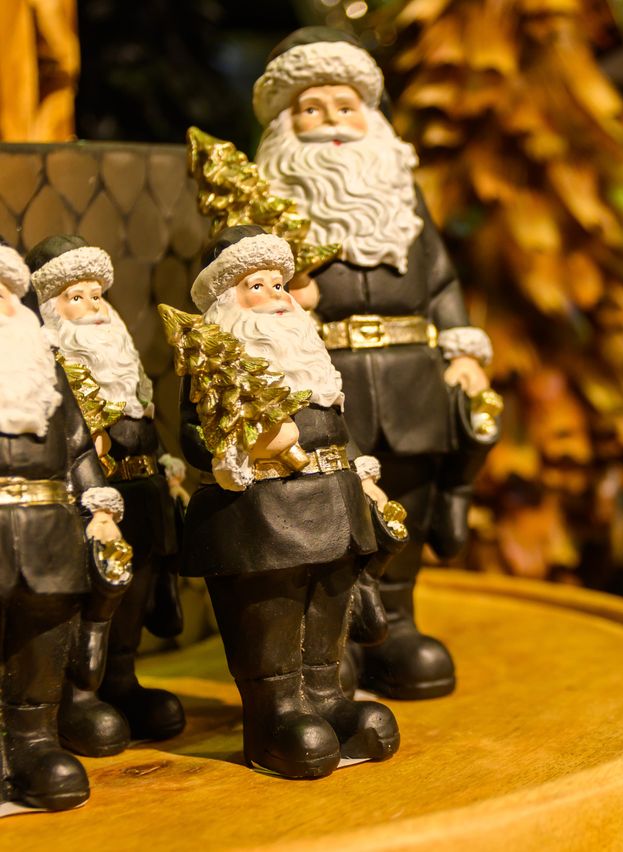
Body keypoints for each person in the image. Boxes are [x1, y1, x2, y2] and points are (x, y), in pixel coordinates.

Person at [253, 28, 496, 699]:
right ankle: (332, 642)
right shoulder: (269, 208)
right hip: (328, 383)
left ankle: (396, 623)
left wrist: (462, 350)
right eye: (312, 108)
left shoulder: (401, 198)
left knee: (407, 504)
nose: (332, 122)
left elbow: (441, 280)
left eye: (346, 106)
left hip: (411, 377)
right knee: (335, 508)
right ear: (284, 124)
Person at [176, 224, 399, 779]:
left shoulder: (310, 354)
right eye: (257, 285)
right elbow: (193, 435)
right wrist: (247, 441)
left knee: (327, 610)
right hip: (263, 515)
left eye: (279, 284)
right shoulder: (214, 361)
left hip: (334, 502)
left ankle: (326, 699)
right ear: (226, 299)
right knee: (272, 616)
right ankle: (273, 716)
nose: (277, 296)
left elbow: (338, 424)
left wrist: (363, 478)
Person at [27, 234, 185, 753]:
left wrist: (165, 466)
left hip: (139, 495)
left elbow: (142, 419)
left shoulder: (122, 361)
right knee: (88, 600)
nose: (94, 307)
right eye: (77, 297)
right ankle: (74, 696)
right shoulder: (51, 367)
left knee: (134, 595)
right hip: (86, 505)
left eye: (98, 295)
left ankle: (121, 680)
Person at [0, 238, 125, 810]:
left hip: (49, 531)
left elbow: (77, 450)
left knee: (43, 638)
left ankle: (33, 742)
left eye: (7, 291)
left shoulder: (43, 366)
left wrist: (100, 510)